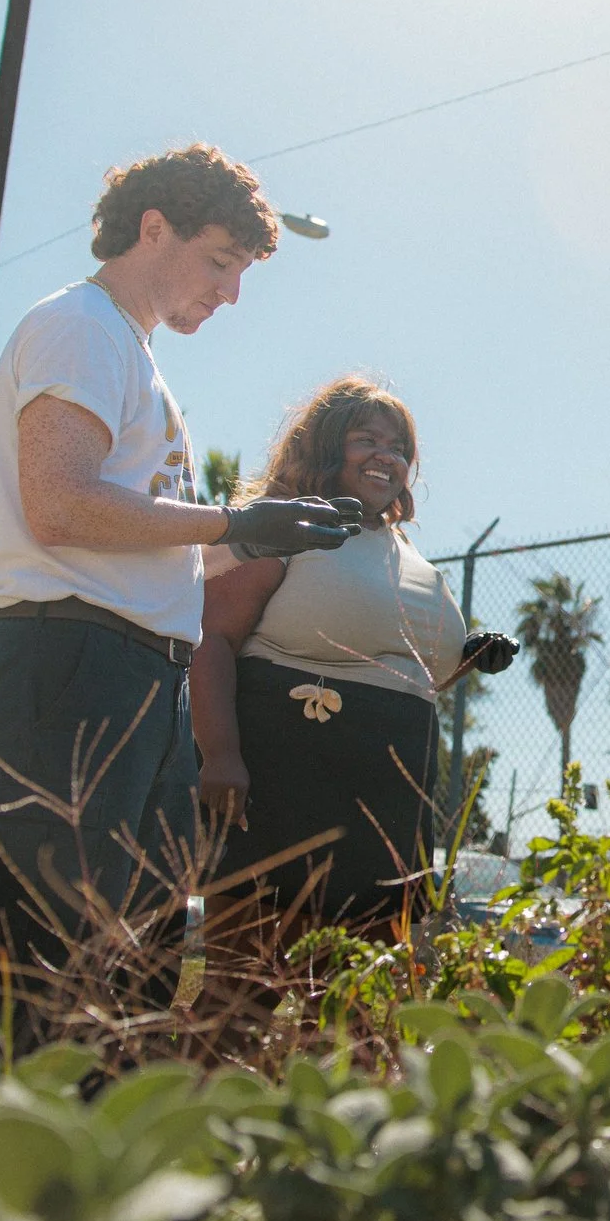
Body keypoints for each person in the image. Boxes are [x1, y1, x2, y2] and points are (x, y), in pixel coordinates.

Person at [0, 144, 359, 1052]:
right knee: (20, 944)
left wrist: (260, 538)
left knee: (126, 956)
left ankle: (71, 1121)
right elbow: (60, 502)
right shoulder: (79, 326)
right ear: (153, 227)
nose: (231, 293)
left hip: (138, 681)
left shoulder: (135, 356)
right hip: (66, 666)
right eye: (220, 261)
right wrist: (230, 519)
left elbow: (142, 544)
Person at [194, 376, 516, 1019]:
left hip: (387, 806)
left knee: (360, 1008)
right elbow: (212, 638)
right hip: (286, 788)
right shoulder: (287, 524)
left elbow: (399, 671)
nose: (385, 457)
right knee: (242, 996)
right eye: (365, 439)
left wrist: (467, 658)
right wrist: (220, 756)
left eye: (398, 448)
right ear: (324, 445)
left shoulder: (405, 553)